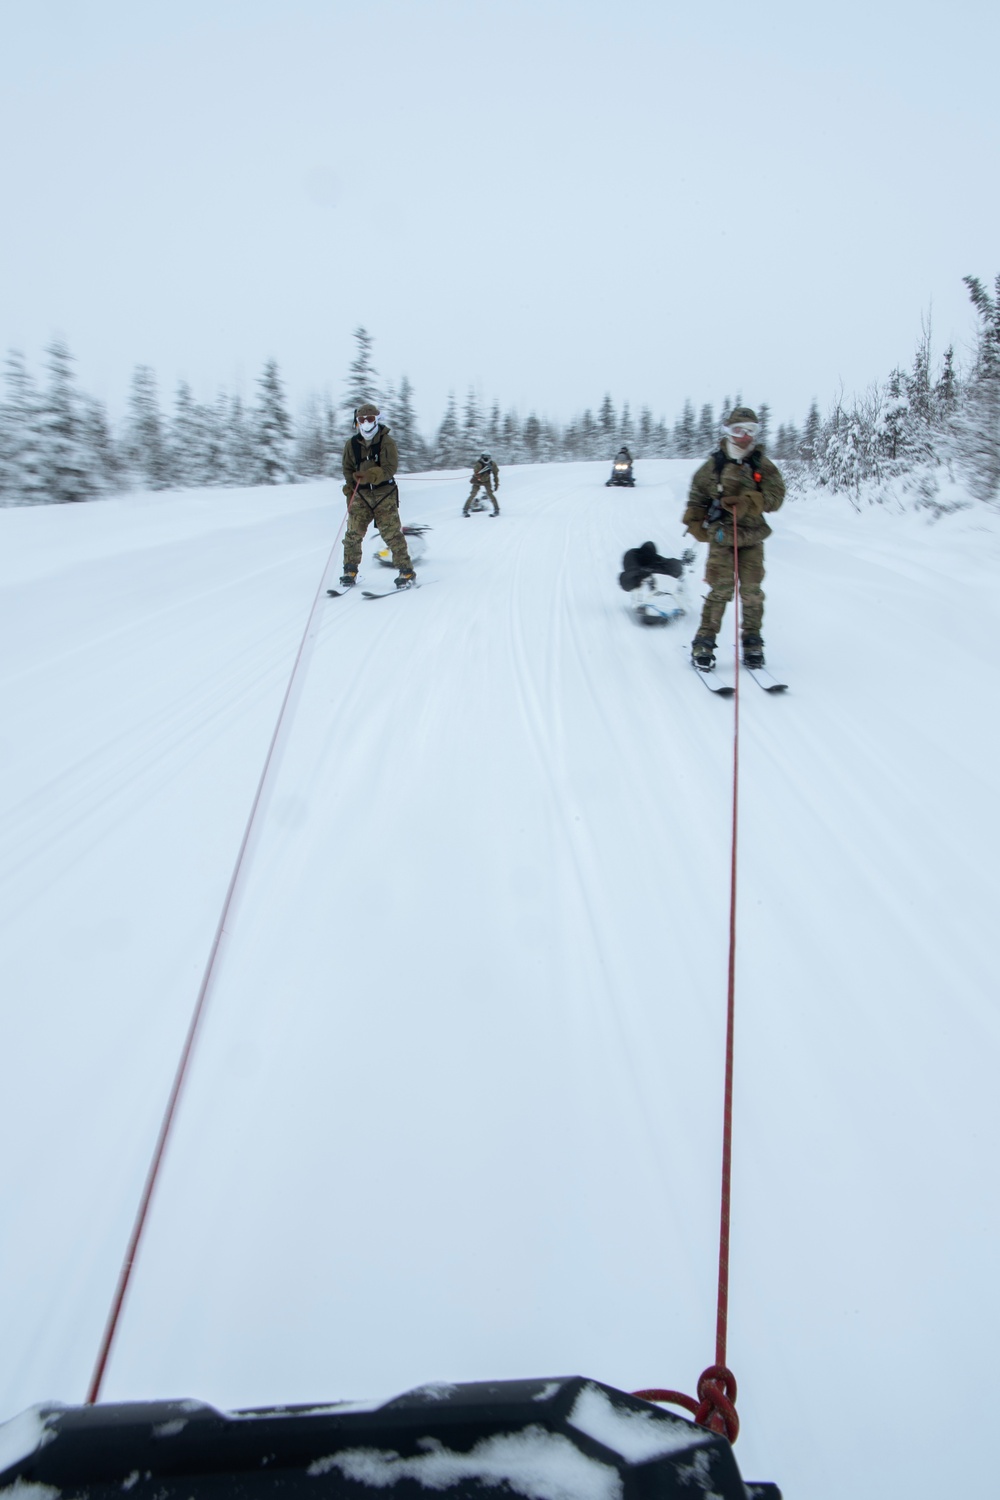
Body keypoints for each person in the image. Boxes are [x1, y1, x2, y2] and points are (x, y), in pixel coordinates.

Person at [682, 406, 785, 669]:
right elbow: (697, 496)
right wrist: (695, 521)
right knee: (720, 591)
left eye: (750, 431)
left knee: (752, 592)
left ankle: (753, 643)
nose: (744, 436)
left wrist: (750, 502)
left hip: (752, 537)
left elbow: (776, 497)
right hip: (721, 537)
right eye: (738, 430)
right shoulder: (712, 466)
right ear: (728, 431)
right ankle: (703, 643)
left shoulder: (762, 465)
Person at [340, 403, 415, 589]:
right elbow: (347, 469)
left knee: (391, 534)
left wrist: (370, 475)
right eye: (362, 420)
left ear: (377, 419)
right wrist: (350, 489)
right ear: (357, 422)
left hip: (384, 494)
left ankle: (406, 571)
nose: (366, 423)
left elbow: (390, 468)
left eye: (370, 419)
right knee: (352, 534)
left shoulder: (387, 442)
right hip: (361, 495)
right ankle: (350, 570)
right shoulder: (351, 444)